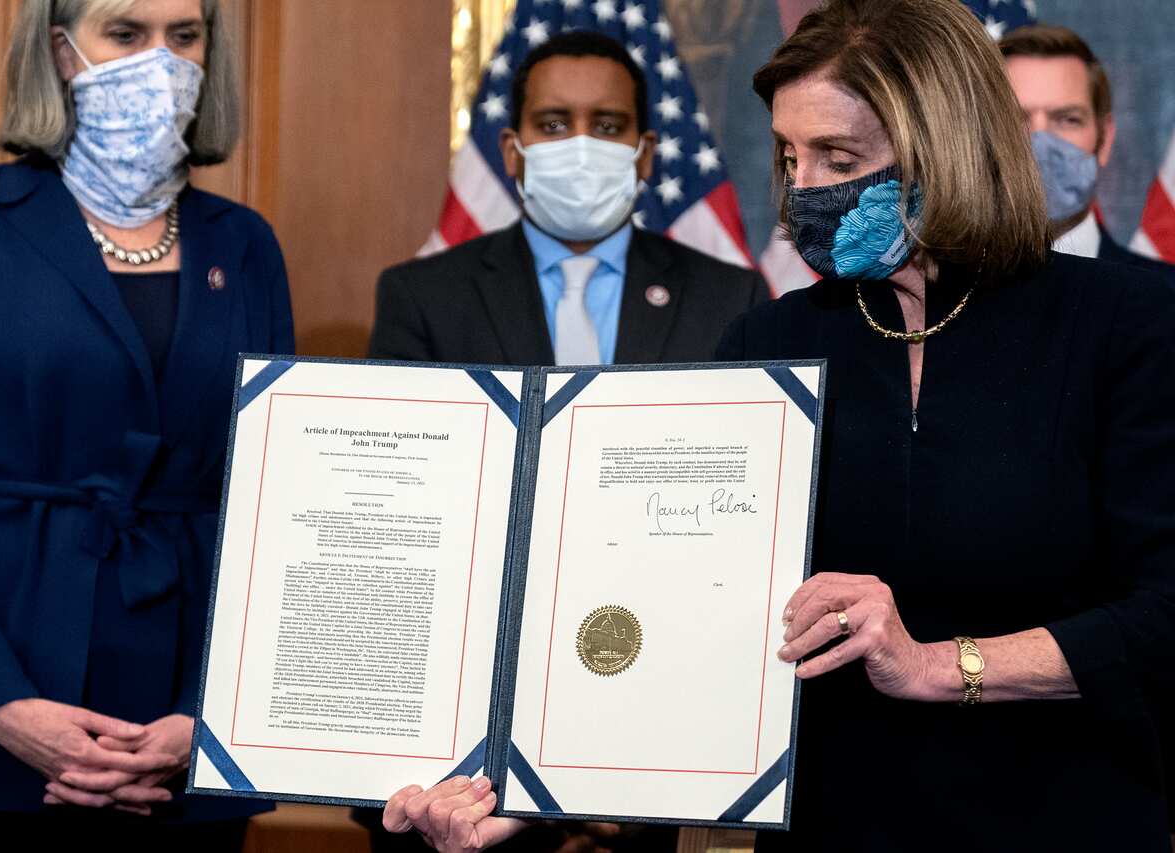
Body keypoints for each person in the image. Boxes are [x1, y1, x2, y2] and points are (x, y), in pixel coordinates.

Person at [387, 1, 1175, 851]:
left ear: (946, 144)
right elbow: (688, 610)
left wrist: (938, 665)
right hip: (834, 824)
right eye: (791, 156)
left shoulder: (1127, 324)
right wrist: (534, 790)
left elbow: (1165, 615)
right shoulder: (770, 341)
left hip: (1062, 818)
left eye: (839, 156)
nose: (804, 190)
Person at [0, 0, 293, 849]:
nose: (163, 60)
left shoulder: (246, 243)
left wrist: (207, 716)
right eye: (126, 32)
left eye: (184, 37)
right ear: (60, 51)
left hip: (182, 744)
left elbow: (278, 512)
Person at [367, 30, 768, 368]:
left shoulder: (730, 298)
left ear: (644, 155)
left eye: (608, 126)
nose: (581, 145)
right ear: (511, 152)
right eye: (553, 124)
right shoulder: (423, 296)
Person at [1000, 24, 1175, 277]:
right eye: (1014, 120)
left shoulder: (1167, 297)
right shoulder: (935, 296)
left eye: (1068, 119)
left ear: (1104, 140)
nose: (1039, 142)